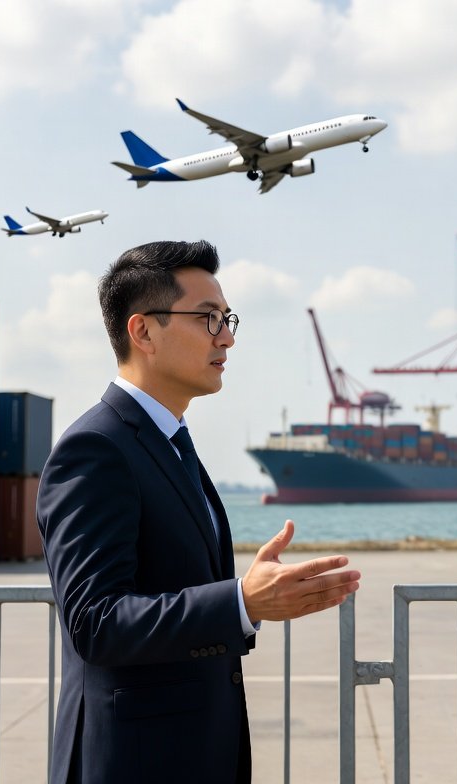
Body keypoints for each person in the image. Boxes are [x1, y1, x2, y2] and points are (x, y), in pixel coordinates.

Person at [37, 240, 361, 784]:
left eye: (227, 319)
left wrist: (246, 603)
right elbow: (94, 622)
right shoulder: (95, 448)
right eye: (209, 319)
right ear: (143, 332)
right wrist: (239, 601)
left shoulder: (170, 441)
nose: (228, 337)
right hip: (132, 762)